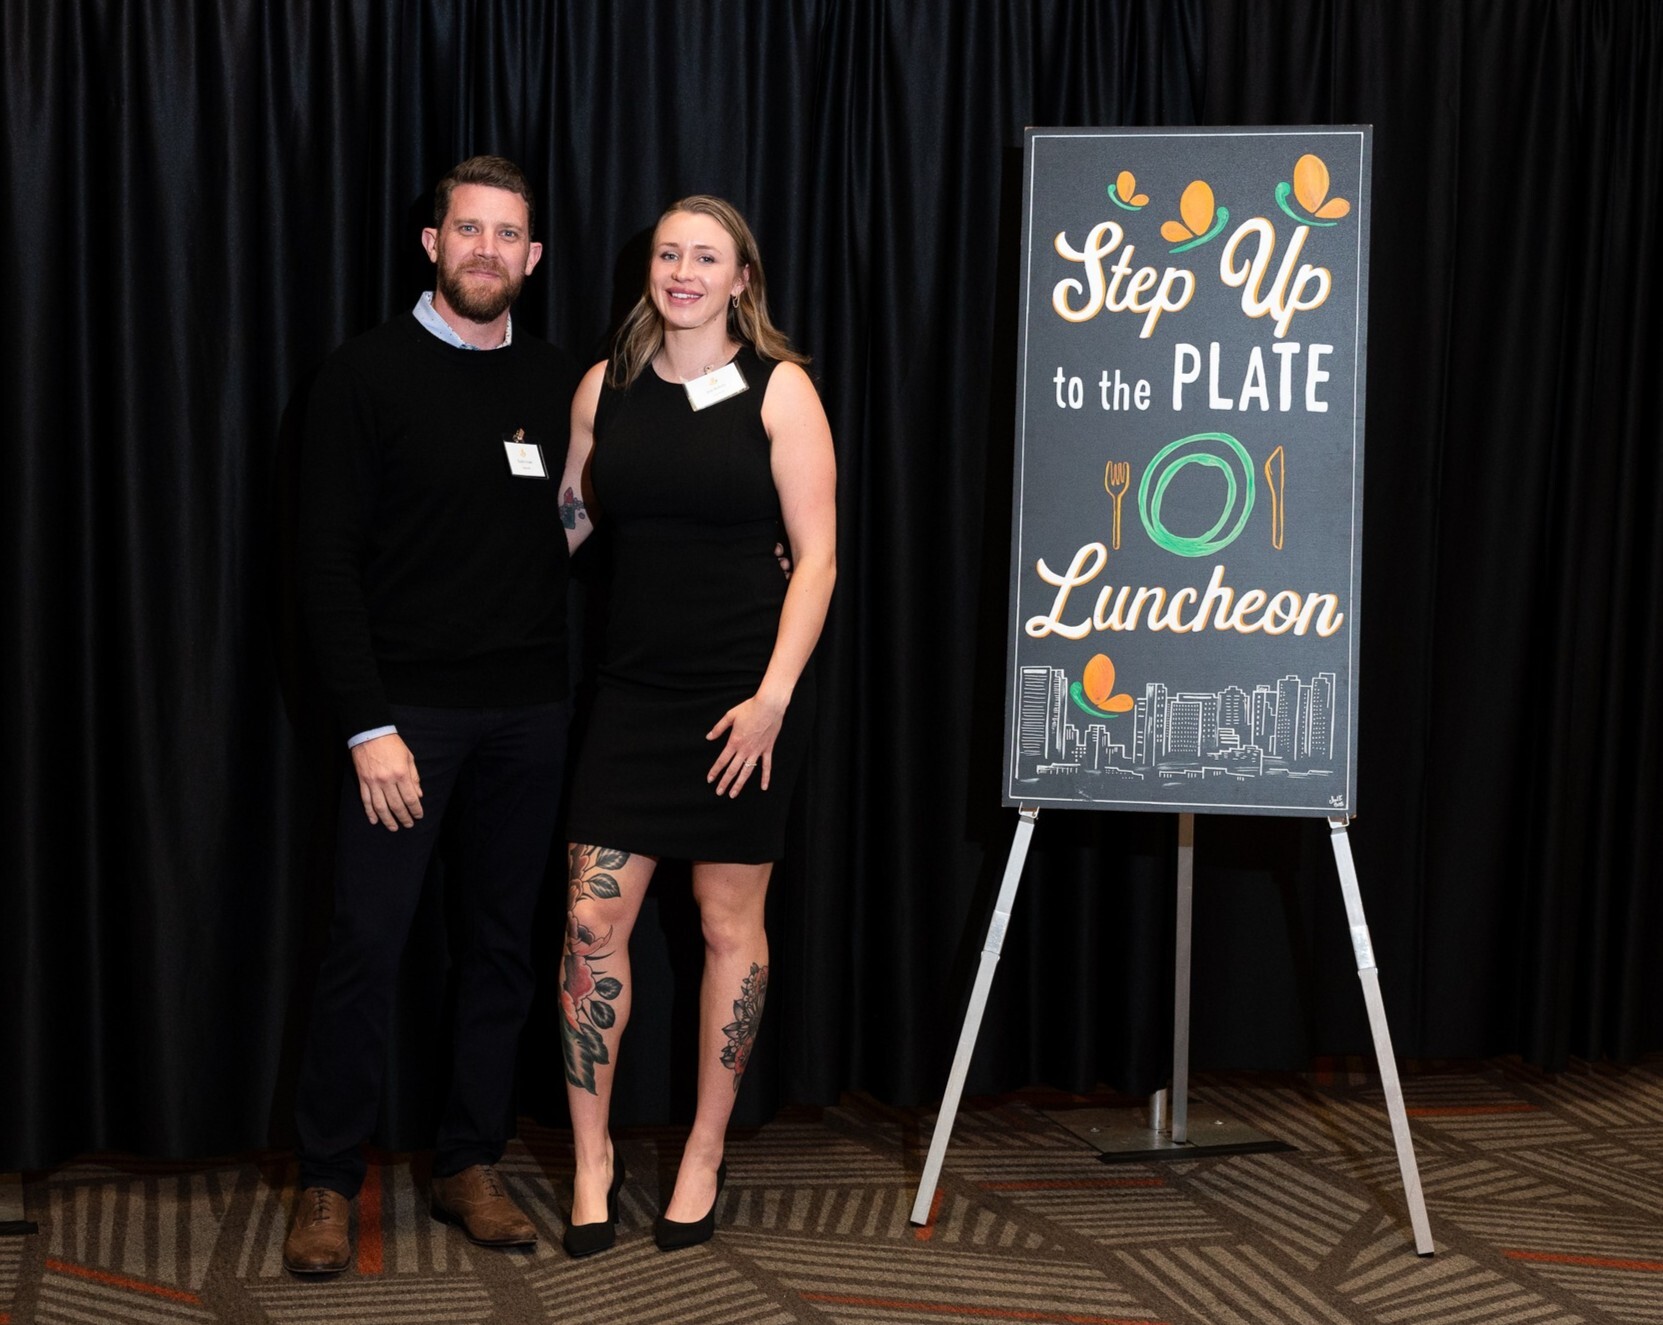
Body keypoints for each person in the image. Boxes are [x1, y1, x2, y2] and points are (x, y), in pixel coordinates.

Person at [285, 155, 581, 1275]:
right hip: (405, 719)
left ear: (533, 257)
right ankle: (325, 1178)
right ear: (432, 242)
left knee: (503, 947)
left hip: (528, 715)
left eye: (509, 236)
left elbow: (578, 522)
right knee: (367, 944)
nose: (487, 252)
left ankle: (470, 1157)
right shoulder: (363, 377)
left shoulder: (560, 382)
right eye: (470, 231)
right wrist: (368, 726)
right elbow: (322, 564)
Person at [553, 196, 836, 1256]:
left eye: (704, 257)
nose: (682, 271)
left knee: (727, 930)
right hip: (630, 694)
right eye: (669, 253)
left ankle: (705, 1149)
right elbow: (568, 525)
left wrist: (771, 699)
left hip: (740, 701)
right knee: (590, 928)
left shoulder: (781, 390)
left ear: (740, 280)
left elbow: (817, 557)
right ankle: (592, 1157)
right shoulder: (606, 387)